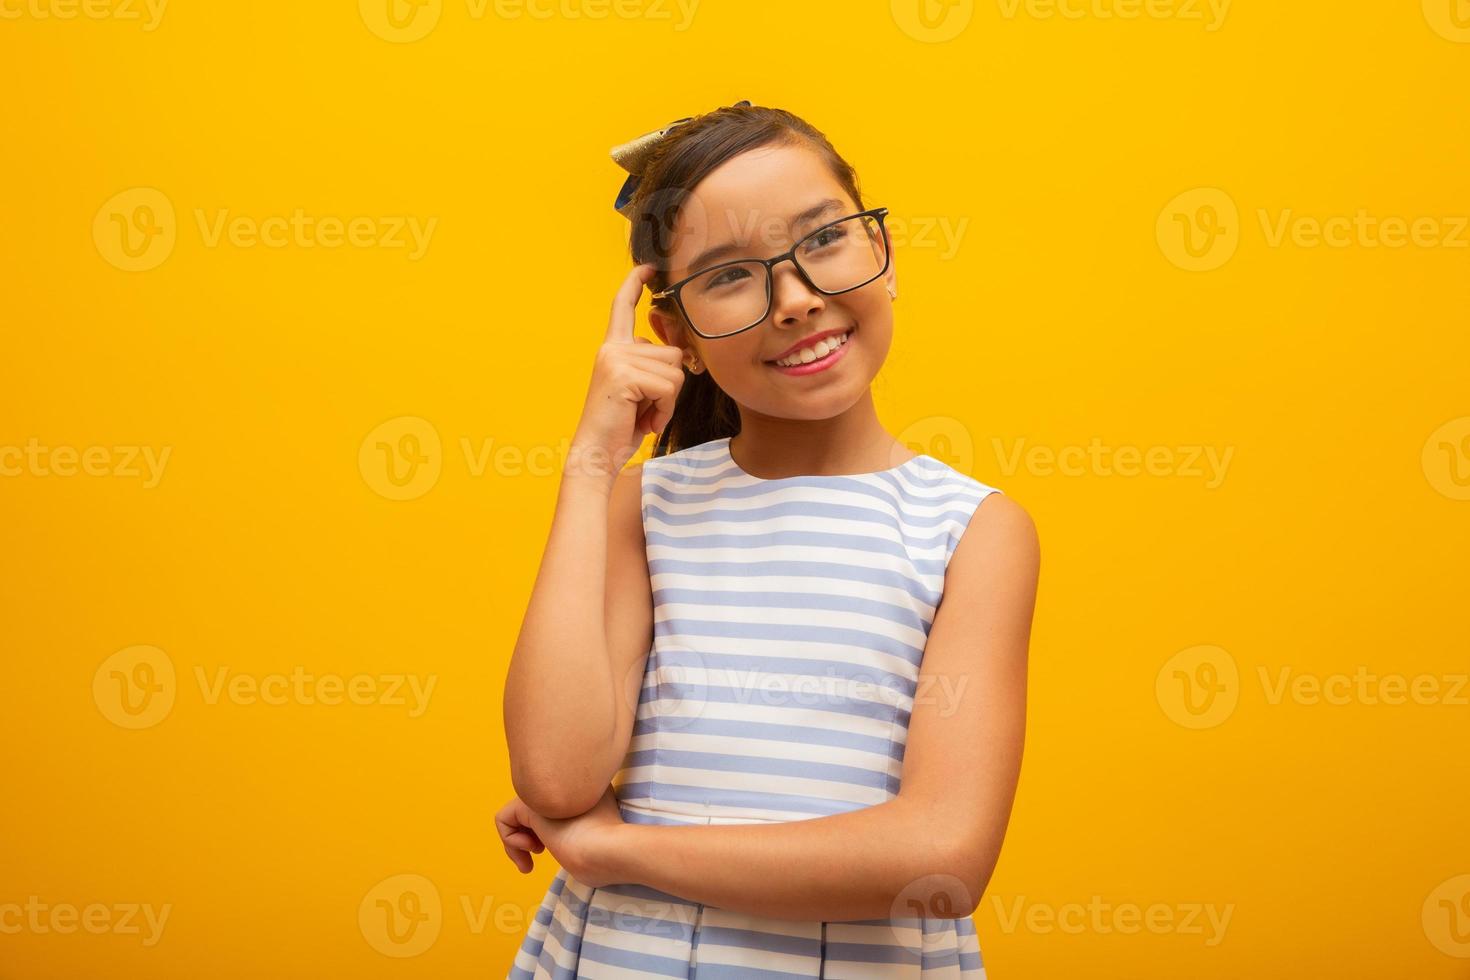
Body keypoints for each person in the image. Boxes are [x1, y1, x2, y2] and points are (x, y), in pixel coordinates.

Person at [498, 101, 1039, 978]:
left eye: (824, 241)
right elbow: (556, 777)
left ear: (885, 256)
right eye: (729, 276)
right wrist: (592, 465)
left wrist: (611, 851)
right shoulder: (643, 508)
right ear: (677, 337)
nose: (794, 301)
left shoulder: (971, 531)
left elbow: (938, 860)